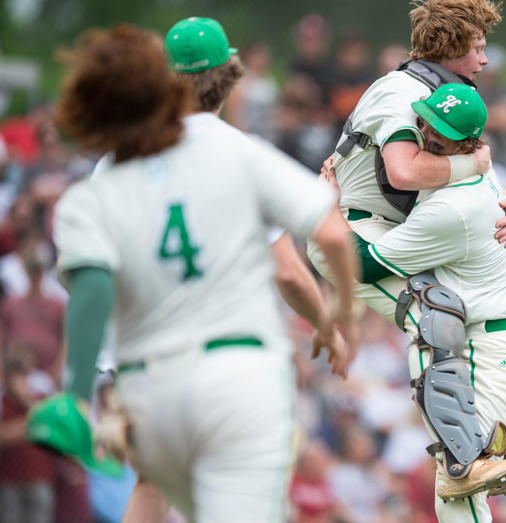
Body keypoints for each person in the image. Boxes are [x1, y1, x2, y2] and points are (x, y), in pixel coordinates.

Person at [26, 23, 358, 522]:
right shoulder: (240, 153)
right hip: (235, 369)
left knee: (150, 486)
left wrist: (75, 394)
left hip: (145, 374)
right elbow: (301, 261)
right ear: (230, 76)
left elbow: (88, 284)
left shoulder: (112, 166)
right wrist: (336, 320)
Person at [311, 0, 506, 509]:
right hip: (345, 230)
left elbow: (463, 165)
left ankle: (479, 446)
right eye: (479, 45)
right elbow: (404, 171)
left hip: (380, 228)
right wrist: (476, 164)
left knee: (441, 310)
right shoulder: (400, 92)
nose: (486, 59)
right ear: (451, 47)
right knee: (436, 311)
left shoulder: (441, 96)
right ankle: (469, 452)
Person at [351, 83, 506, 523]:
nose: (429, 134)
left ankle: (498, 454)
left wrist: (324, 211)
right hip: (501, 348)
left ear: (467, 143)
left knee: (457, 489)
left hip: (488, 354)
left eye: (442, 132)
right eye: (427, 121)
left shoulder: (453, 207)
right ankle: (505, 453)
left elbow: (361, 266)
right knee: (459, 486)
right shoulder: (480, 172)